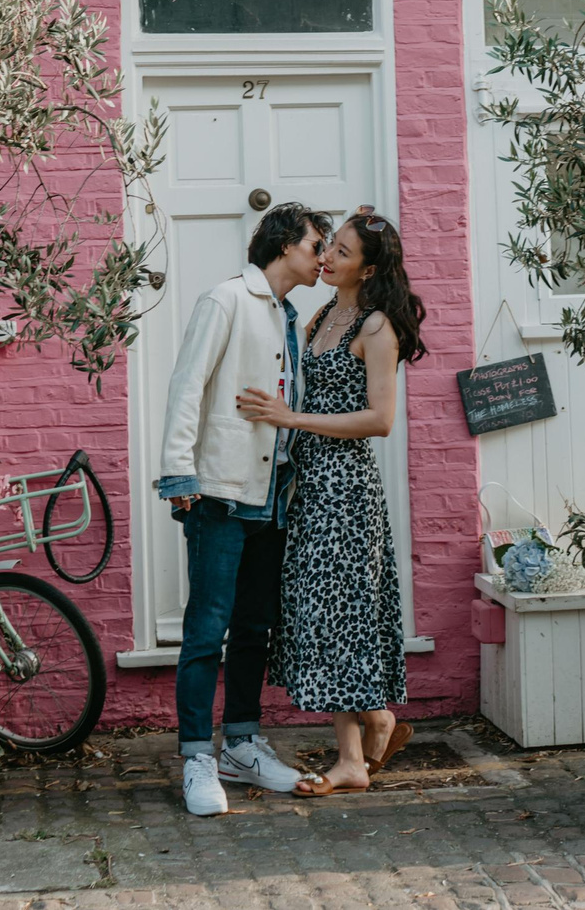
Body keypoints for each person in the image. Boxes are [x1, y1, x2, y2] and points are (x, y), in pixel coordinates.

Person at [239, 205, 427, 796]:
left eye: (341, 252)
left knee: (341, 613)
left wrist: (290, 417)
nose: (327, 257)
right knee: (322, 615)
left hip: (347, 491)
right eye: (330, 247)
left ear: (368, 271)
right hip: (310, 484)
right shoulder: (323, 315)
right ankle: (375, 724)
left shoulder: (375, 328)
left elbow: (381, 418)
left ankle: (355, 755)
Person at [155, 201, 328, 817]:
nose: (322, 257)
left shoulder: (287, 314)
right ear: (284, 245)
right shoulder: (224, 299)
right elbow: (187, 385)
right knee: (207, 629)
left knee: (255, 628)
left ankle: (244, 744)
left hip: (272, 498)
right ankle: (198, 756)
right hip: (220, 492)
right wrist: (179, 472)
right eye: (315, 245)